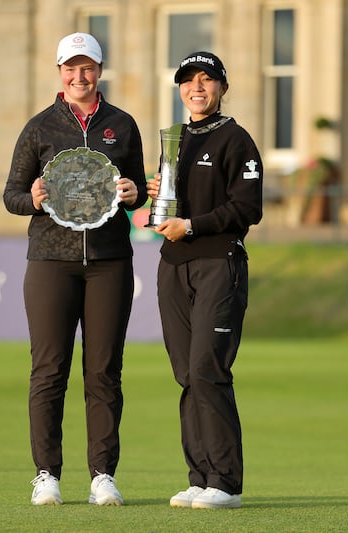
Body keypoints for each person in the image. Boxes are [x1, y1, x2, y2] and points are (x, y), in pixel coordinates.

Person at [3, 32, 147, 507]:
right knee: (48, 371)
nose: (79, 76)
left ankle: (103, 475)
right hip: (50, 262)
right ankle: (46, 474)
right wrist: (35, 200)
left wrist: (133, 194)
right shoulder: (40, 128)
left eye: (87, 68)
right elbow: (12, 195)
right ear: (60, 72)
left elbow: (139, 191)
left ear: (99, 71)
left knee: (104, 372)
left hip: (109, 263)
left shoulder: (122, 125)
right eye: (71, 68)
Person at [146, 51, 263, 510]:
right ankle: (199, 477)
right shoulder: (174, 139)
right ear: (180, 89)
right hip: (173, 264)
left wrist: (192, 226)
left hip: (219, 263)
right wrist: (158, 196)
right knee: (185, 374)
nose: (197, 88)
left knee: (207, 371)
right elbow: (177, 201)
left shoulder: (237, 140)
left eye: (206, 80)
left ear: (222, 88)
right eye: (188, 81)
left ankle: (226, 483)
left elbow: (247, 208)